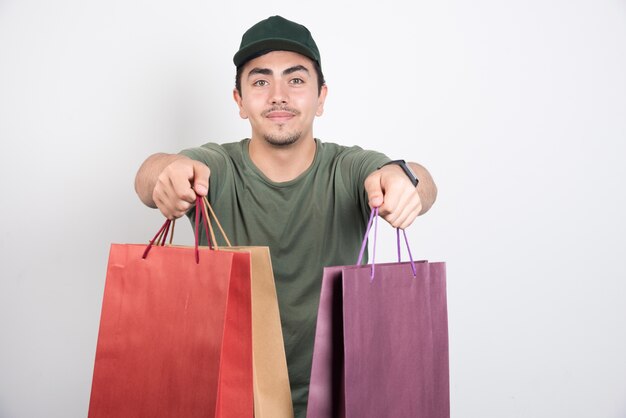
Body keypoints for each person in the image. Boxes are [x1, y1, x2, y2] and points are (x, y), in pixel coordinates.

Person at [135, 15, 437, 417]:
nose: (278, 95)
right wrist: (168, 175)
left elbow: (413, 178)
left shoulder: (346, 168)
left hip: (344, 398)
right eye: (260, 82)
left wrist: (405, 183)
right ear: (240, 101)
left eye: (295, 80)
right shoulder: (219, 166)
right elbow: (152, 173)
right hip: (231, 400)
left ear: (321, 97)